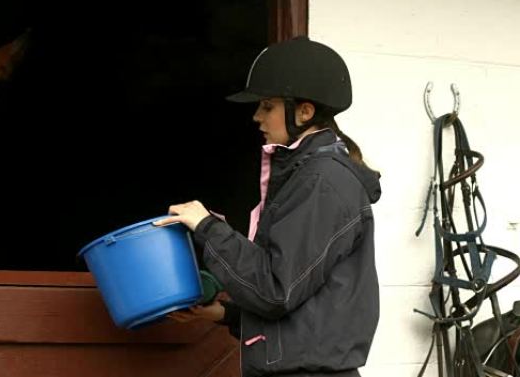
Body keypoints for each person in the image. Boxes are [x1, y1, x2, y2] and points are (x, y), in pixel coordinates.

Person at [154, 36, 382, 377]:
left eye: (268, 106)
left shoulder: (322, 183)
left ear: (304, 112)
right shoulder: (307, 176)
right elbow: (301, 301)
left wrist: (207, 227)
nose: (257, 117)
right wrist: (223, 315)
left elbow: (276, 290)